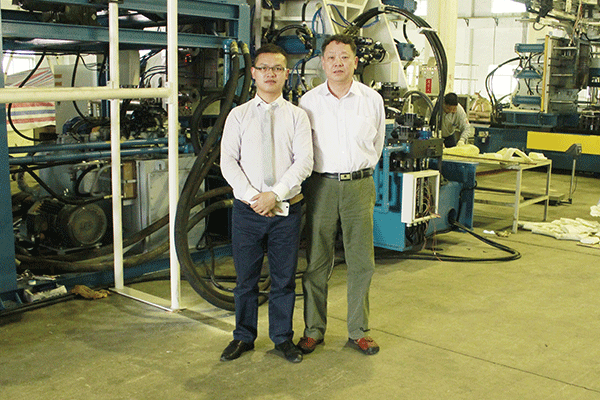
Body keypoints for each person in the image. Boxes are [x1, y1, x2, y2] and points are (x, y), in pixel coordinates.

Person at [219, 43, 313, 363]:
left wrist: (276, 194)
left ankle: (282, 338)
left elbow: (304, 162)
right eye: (264, 68)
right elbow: (228, 162)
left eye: (277, 68)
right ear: (254, 73)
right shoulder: (238, 116)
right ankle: (243, 337)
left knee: (284, 279)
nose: (270, 74)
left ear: (286, 74)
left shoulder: (298, 117)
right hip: (248, 212)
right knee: (245, 279)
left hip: (286, 210)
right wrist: (253, 198)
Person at [297, 34, 385, 356]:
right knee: (317, 261)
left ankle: (359, 330)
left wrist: (357, 172)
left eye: (344, 57)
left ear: (355, 62)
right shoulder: (308, 102)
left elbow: (377, 144)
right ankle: (313, 330)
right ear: (322, 63)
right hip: (320, 185)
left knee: (361, 261)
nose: (338, 63)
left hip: (359, 185)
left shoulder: (372, 100)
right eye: (331, 57)